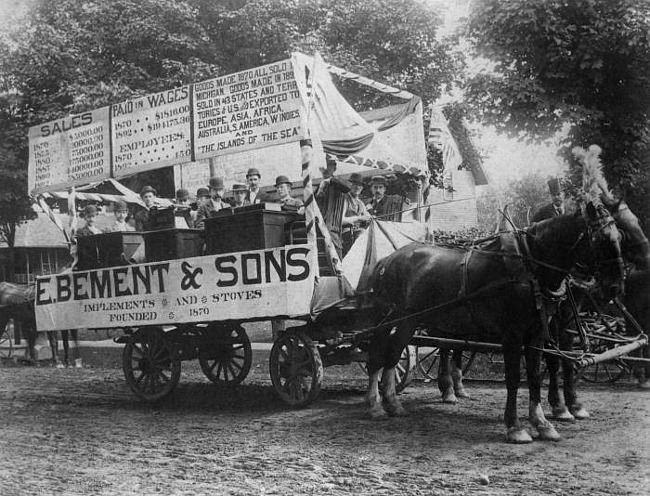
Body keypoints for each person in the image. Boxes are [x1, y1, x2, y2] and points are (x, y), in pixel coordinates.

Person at [315, 157, 350, 258]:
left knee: (335, 255)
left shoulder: (337, 182)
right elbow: (313, 201)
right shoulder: (320, 185)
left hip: (331, 226)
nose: (325, 169)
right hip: (319, 224)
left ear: (334, 168)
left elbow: (347, 187)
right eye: (323, 166)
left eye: (328, 166)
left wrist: (329, 180)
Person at [342, 173, 371, 254]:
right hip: (345, 233)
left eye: (360, 185)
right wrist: (358, 218)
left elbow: (366, 215)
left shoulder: (360, 203)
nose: (358, 187)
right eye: (355, 184)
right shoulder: (344, 199)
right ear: (350, 184)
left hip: (356, 232)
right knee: (362, 235)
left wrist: (370, 218)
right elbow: (341, 220)